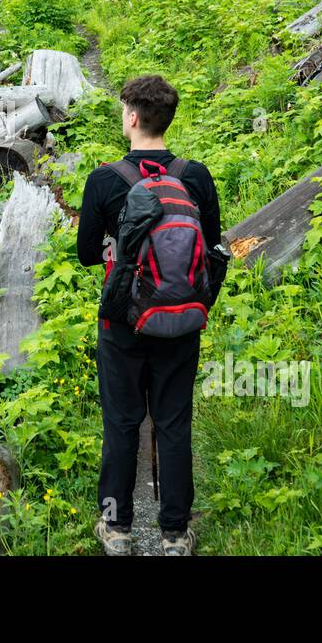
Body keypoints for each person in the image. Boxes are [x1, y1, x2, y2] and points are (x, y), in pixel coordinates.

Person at [76, 74, 227, 556]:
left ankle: (117, 529)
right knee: (173, 422)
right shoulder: (195, 176)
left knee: (122, 422)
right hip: (181, 322)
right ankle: (175, 534)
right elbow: (213, 248)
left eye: (124, 112)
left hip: (121, 322)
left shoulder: (105, 179)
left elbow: (83, 254)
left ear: (133, 118)